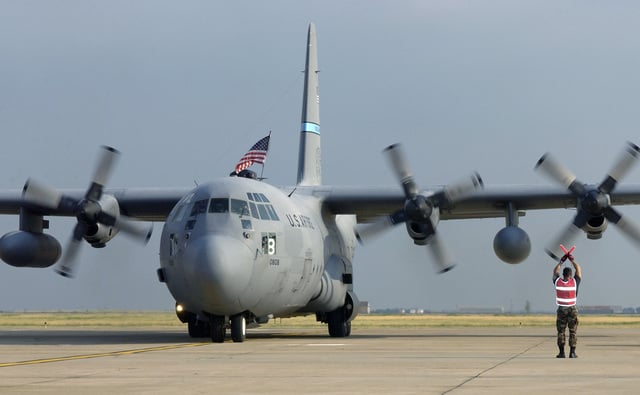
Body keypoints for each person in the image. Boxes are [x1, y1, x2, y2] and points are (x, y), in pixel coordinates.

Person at [553, 253, 582, 358]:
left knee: (561, 331)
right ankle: (572, 353)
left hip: (561, 309)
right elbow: (578, 268)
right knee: (572, 331)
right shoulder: (574, 282)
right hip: (572, 309)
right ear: (570, 275)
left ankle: (561, 353)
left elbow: (555, 272)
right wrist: (572, 260)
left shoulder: (558, 282)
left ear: (563, 274)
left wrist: (561, 261)